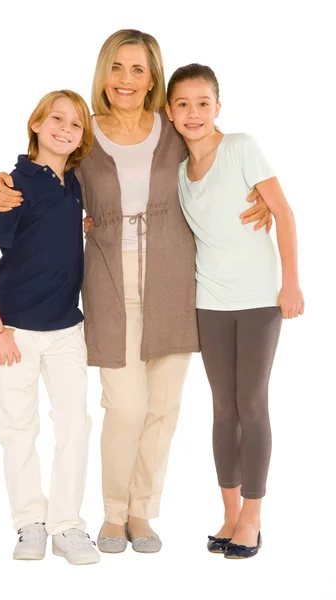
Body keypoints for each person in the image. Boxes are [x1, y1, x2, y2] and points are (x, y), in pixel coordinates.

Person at [0, 30, 272, 554]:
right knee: (125, 404)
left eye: (138, 69)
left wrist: (264, 195)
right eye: (117, 67)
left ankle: (143, 510)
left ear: (153, 77)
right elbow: (41, 165)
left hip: (175, 276)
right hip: (108, 280)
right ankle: (113, 512)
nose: (126, 79)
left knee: (163, 405)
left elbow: (218, 146)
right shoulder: (85, 134)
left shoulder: (171, 126)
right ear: (104, 73)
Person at [166, 63, 304, 559]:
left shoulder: (241, 146)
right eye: (182, 104)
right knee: (223, 407)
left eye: (203, 103)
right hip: (210, 301)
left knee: (252, 403)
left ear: (218, 108)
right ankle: (228, 515)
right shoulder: (181, 173)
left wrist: (290, 282)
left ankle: (253, 517)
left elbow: (282, 212)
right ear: (170, 112)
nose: (194, 112)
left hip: (259, 299)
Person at [0, 90, 100, 566]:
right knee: (17, 428)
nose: (66, 128)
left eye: (76, 124)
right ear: (37, 123)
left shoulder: (75, 183)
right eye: (56, 119)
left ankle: (68, 525)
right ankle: (30, 523)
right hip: (15, 333)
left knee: (74, 426)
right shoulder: (15, 184)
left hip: (67, 329)